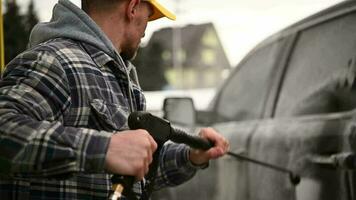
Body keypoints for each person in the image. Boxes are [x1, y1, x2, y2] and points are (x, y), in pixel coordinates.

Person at [0, 0, 229, 199]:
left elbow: (134, 175)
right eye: (148, 17)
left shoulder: (120, 80)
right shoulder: (53, 61)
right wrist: (105, 148)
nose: (146, 31)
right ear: (132, 8)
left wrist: (190, 155)